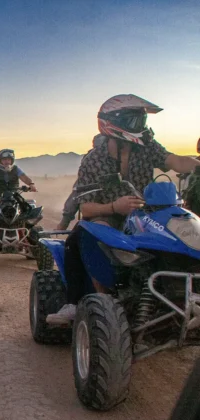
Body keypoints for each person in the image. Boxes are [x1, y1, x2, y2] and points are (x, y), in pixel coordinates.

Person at [47, 94, 200, 325]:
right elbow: (85, 208)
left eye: (142, 121)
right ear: (114, 123)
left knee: (185, 233)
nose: (141, 126)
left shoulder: (146, 148)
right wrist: (114, 207)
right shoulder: (93, 160)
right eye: (135, 121)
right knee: (86, 232)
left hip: (146, 216)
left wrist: (197, 165)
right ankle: (92, 303)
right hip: (108, 219)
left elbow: (176, 162)